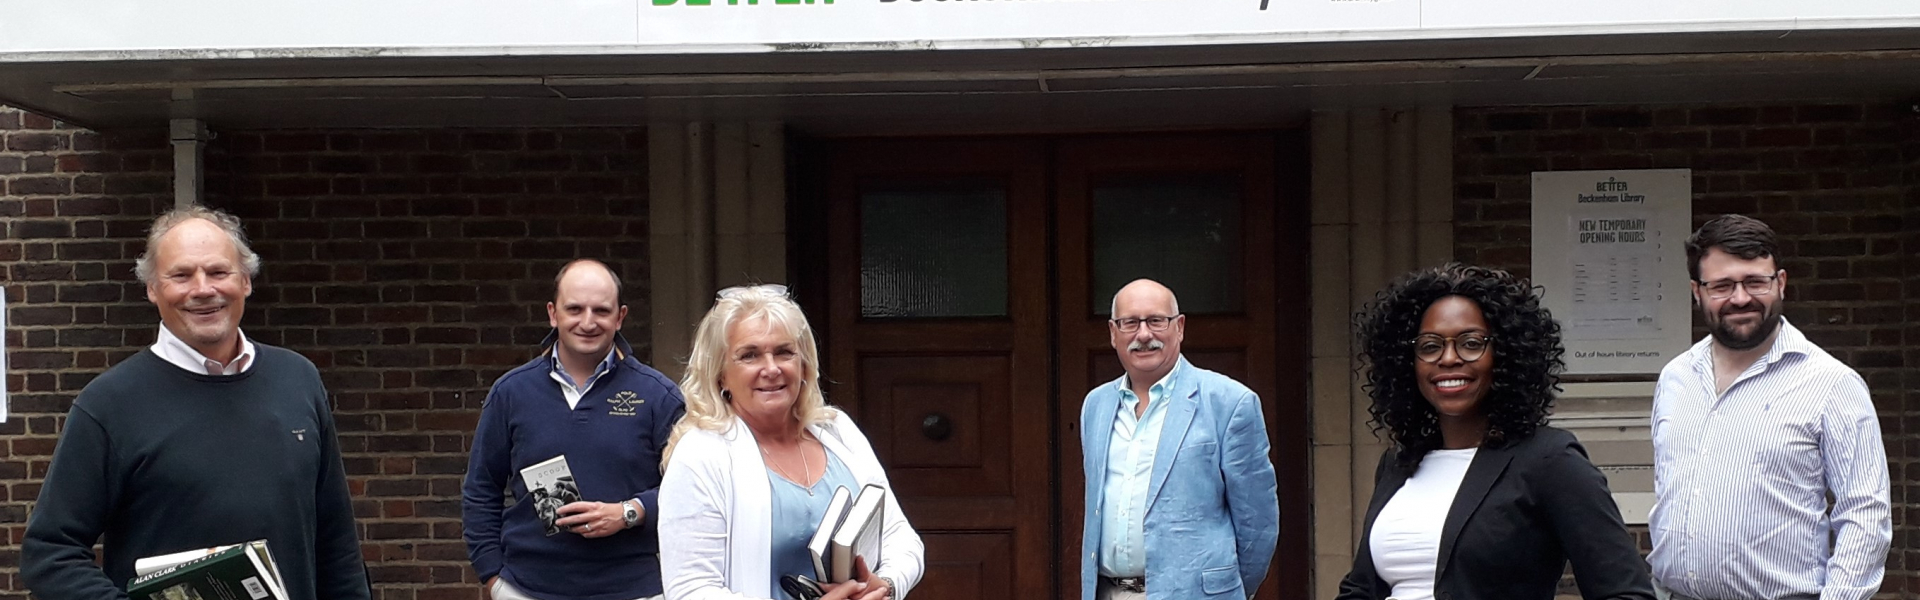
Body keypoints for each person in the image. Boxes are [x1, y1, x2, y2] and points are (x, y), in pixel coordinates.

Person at [21, 206, 371, 600]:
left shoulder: (298, 379)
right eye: (181, 275)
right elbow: (49, 553)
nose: (203, 289)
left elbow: (336, 541)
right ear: (153, 288)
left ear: (246, 281)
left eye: (219, 272)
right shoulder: (109, 404)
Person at [1337, 263, 1653, 600]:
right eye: (1429, 346)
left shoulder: (1548, 461)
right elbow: (1360, 589)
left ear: (1503, 354)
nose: (1448, 359)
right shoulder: (1398, 464)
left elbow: (1626, 593)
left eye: (1470, 343)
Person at [1649, 215, 1890, 600]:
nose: (1740, 298)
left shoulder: (1832, 384)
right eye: (1722, 285)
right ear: (1697, 291)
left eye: (1755, 282)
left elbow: (1866, 515)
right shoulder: (1676, 378)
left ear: (1780, 283)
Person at [658, 285, 924, 600]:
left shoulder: (838, 431)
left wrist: (887, 585)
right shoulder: (701, 454)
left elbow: (901, 538)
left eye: (784, 352)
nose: (771, 369)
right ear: (720, 375)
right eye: (750, 355)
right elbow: (690, 590)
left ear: (804, 364)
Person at [463, 259, 688, 600]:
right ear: (553, 314)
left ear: (620, 317)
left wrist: (629, 511)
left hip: (634, 590)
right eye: (574, 309)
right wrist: (493, 577)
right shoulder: (511, 393)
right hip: (527, 590)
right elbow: (481, 489)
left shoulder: (658, 396)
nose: (587, 322)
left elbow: (690, 491)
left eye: (601, 310)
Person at [1079, 279, 1279, 600]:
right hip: (1109, 592)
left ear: (1180, 327)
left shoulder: (1229, 402)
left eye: (1156, 321)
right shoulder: (1096, 406)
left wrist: (1224, 591)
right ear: (1113, 333)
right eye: (1130, 323)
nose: (1144, 334)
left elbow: (1258, 523)